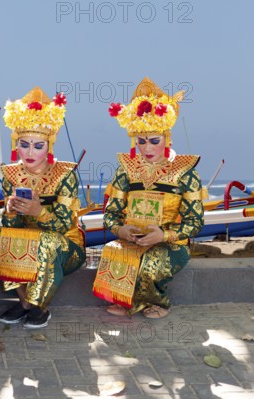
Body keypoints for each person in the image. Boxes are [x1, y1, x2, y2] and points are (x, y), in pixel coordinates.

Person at [93, 77, 205, 318]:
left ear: (167, 137)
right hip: (132, 238)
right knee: (113, 250)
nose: (147, 148)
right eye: (141, 141)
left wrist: (164, 234)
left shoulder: (185, 171)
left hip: (171, 244)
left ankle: (158, 302)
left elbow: (195, 222)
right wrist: (121, 231)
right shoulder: (126, 169)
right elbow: (111, 213)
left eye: (154, 141)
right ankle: (124, 300)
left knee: (150, 263)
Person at [0, 87, 86, 329]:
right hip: (29, 239)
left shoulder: (64, 175)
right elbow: (13, 226)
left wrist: (38, 212)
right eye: (24, 144)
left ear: (49, 145)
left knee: (47, 243)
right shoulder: (11, 174)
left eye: (38, 146)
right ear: (16, 143)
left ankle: (38, 306)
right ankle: (25, 302)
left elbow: (64, 224)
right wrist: (10, 211)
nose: (30, 153)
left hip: (65, 245)